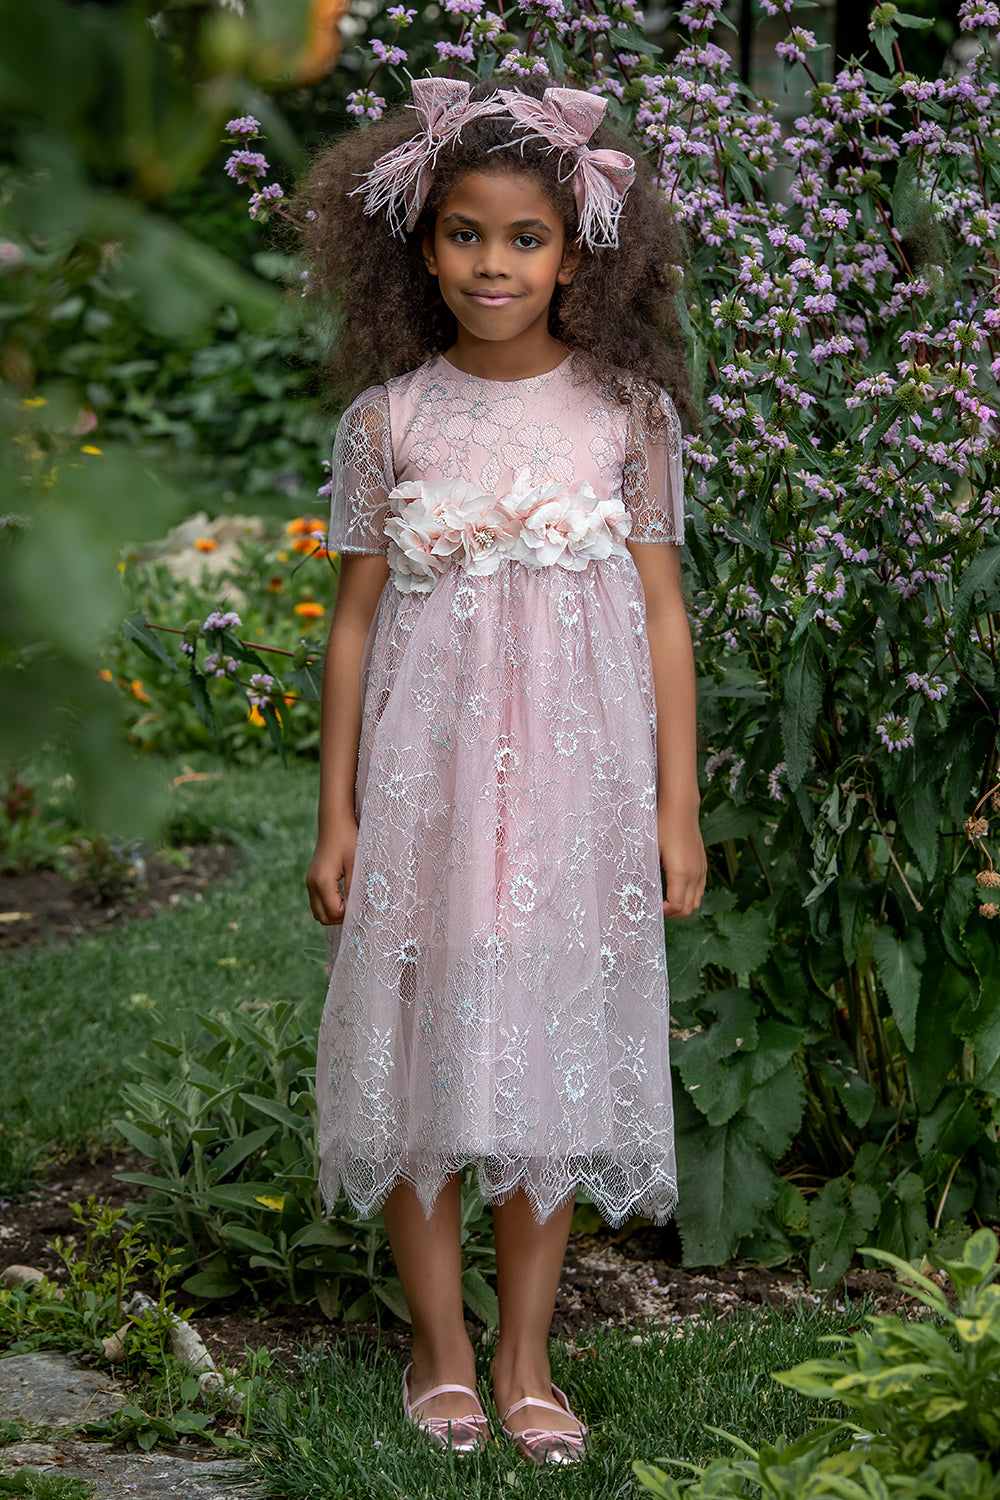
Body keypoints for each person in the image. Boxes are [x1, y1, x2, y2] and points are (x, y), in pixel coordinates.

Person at [302, 76, 706, 1465]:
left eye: (524, 238)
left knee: (543, 1058)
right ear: (421, 246)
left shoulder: (627, 417)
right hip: (427, 787)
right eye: (466, 235)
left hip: (576, 799)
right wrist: (339, 812)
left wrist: (678, 807)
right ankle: (443, 1347)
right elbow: (353, 630)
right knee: (426, 1050)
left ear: (577, 250)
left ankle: (530, 1358)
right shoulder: (390, 424)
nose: (494, 264)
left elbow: (661, 617)